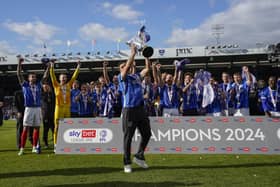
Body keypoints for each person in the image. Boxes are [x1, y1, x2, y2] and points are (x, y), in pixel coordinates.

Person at [118, 44, 152, 173]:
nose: (124, 68)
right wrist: (132, 53)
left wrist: (146, 54)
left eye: (124, 66)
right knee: (128, 137)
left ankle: (139, 156)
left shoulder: (137, 76)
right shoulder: (122, 78)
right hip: (129, 110)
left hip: (140, 110)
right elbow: (126, 68)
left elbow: (147, 68)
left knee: (147, 134)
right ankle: (127, 163)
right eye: (121, 67)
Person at [17, 57, 49, 155]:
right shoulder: (25, 85)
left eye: (34, 77)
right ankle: (22, 148)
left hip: (38, 109)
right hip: (29, 109)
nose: (33, 78)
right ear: (28, 78)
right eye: (31, 77)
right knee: (26, 128)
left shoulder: (39, 85)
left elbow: (45, 76)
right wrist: (19, 63)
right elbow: (19, 74)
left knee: (37, 128)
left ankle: (34, 147)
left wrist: (48, 67)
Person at [50, 60, 81, 152]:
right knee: (57, 126)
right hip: (58, 108)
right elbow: (52, 77)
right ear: (59, 79)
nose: (63, 79)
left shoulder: (69, 85)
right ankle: (56, 144)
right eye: (62, 78)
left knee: (67, 126)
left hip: (67, 108)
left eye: (65, 78)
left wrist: (78, 66)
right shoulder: (56, 85)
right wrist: (52, 66)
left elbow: (74, 76)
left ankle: (66, 143)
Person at [41, 81, 55, 148]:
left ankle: (55, 142)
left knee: (54, 129)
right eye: (44, 87)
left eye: (47, 87)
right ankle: (46, 143)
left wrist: (50, 92)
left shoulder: (53, 94)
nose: (46, 88)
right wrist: (47, 93)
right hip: (45, 115)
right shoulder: (42, 94)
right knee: (45, 130)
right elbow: (45, 101)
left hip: (53, 114)